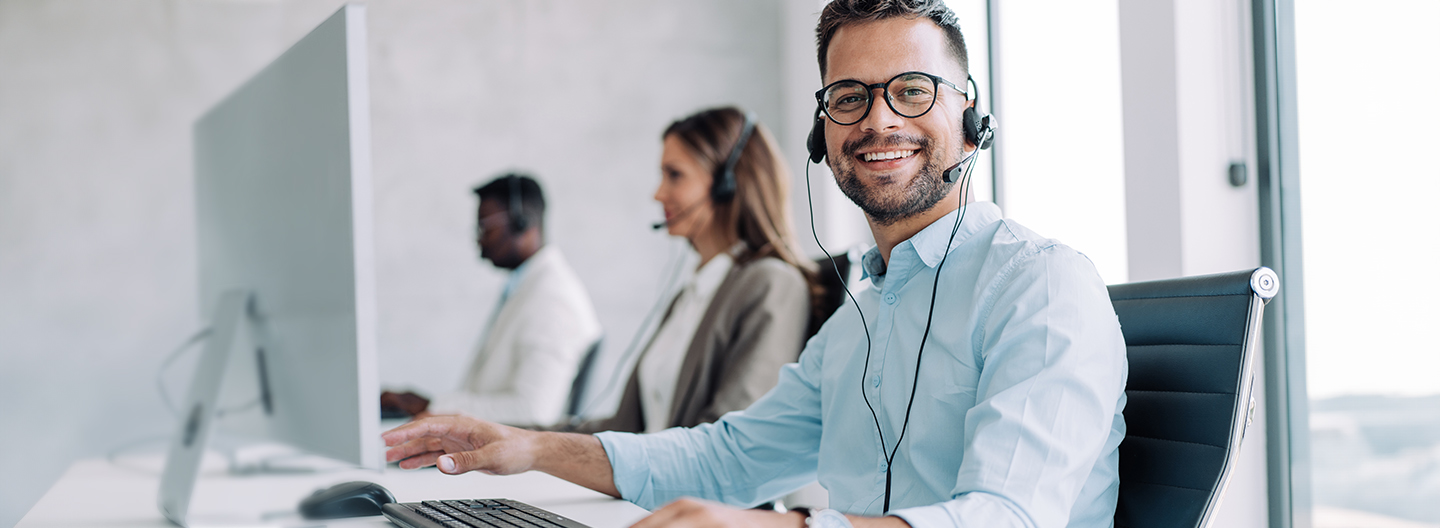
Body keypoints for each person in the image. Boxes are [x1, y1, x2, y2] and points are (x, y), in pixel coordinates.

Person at [382, 1, 1127, 527]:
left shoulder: (1042, 287)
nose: (878, 119)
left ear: (970, 122)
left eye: (911, 91)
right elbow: (726, 458)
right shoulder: (862, 316)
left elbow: (1007, 518)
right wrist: (528, 449)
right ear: (821, 137)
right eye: (849, 97)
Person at [562, 107, 817, 435]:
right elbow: (622, 428)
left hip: (686, 488)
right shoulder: (692, 294)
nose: (658, 193)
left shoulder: (771, 284)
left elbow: (732, 440)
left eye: (675, 175)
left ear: (727, 182)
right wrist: (510, 436)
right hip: (650, 484)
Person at [381, 174, 602, 427]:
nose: (479, 240)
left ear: (522, 223)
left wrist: (434, 408)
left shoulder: (553, 300)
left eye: (486, 228)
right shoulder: (526, 287)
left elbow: (534, 411)